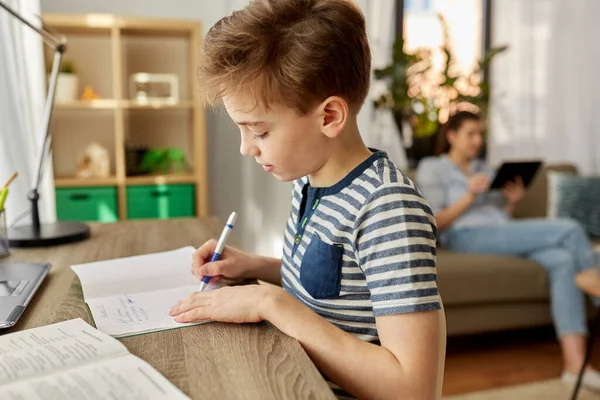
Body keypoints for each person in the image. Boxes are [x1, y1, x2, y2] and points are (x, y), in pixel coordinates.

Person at [168, 1, 445, 399]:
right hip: (296, 376)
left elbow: (412, 388)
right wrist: (255, 266)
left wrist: (270, 301)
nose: (246, 148)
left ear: (330, 116)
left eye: (259, 132)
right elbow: (340, 287)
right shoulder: (311, 180)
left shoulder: (387, 209)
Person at [415, 110, 600, 390]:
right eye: (471, 134)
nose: (477, 140)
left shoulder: (484, 169)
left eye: (480, 134)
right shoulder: (433, 167)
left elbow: (502, 219)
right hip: (465, 236)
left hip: (499, 234)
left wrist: (512, 202)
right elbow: (434, 221)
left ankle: (575, 367)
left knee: (562, 261)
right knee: (571, 228)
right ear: (451, 136)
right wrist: (469, 195)